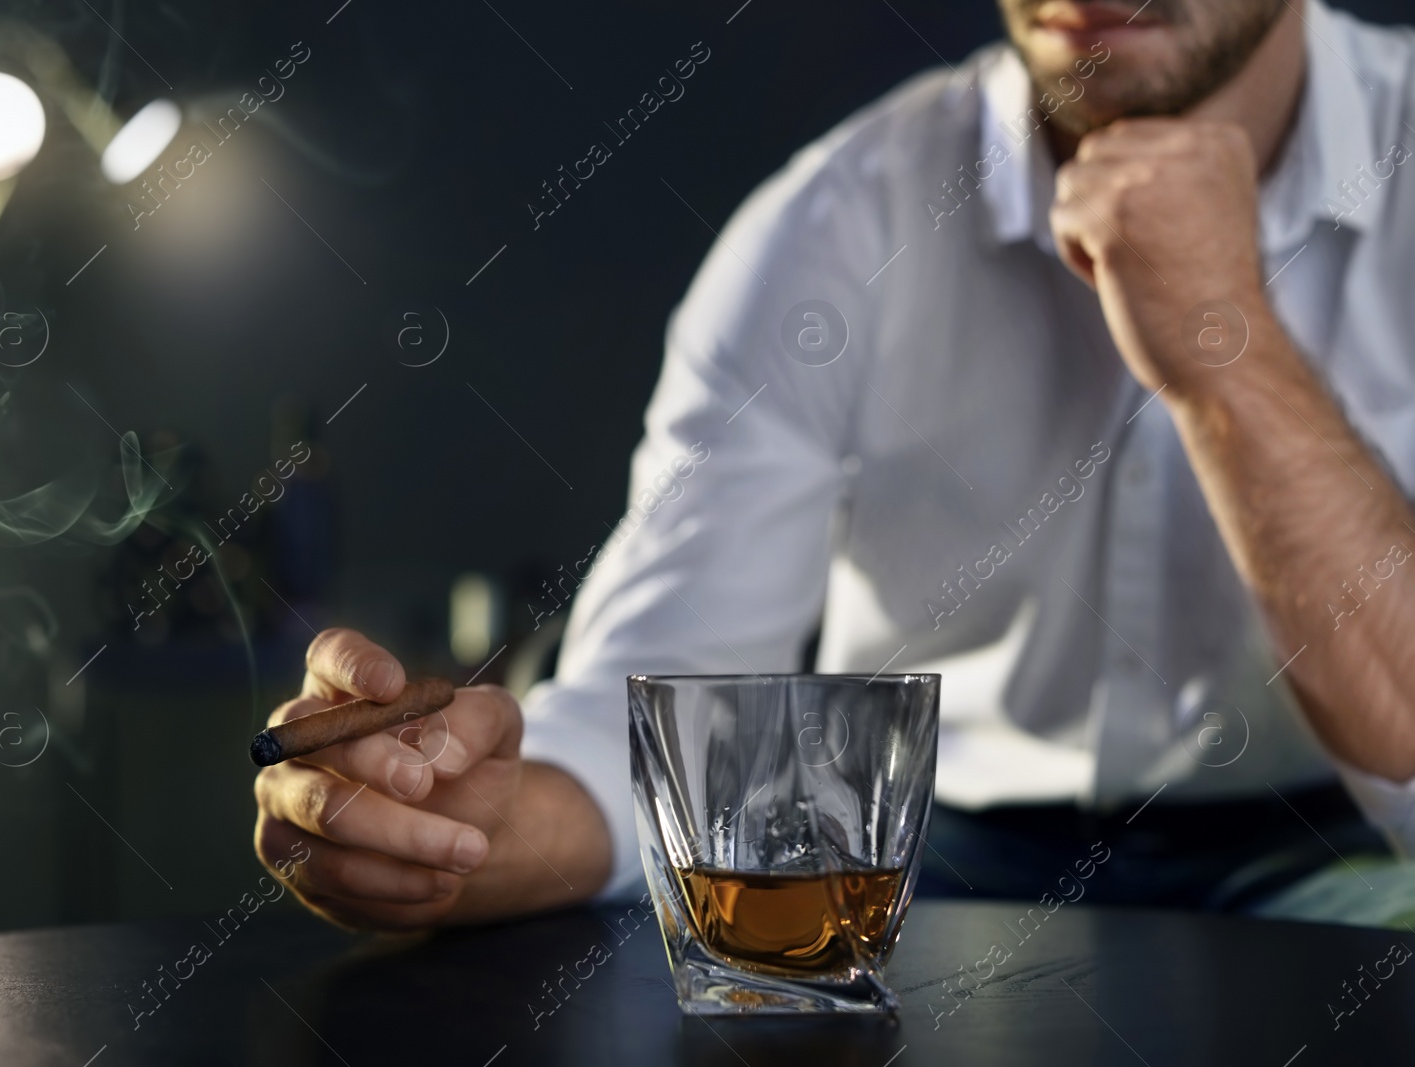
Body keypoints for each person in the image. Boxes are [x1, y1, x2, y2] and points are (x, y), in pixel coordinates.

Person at [253, 0, 1415, 930]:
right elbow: (652, 717)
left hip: (1342, 855)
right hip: (931, 863)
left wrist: (1222, 336)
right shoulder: (833, 220)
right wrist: (452, 832)